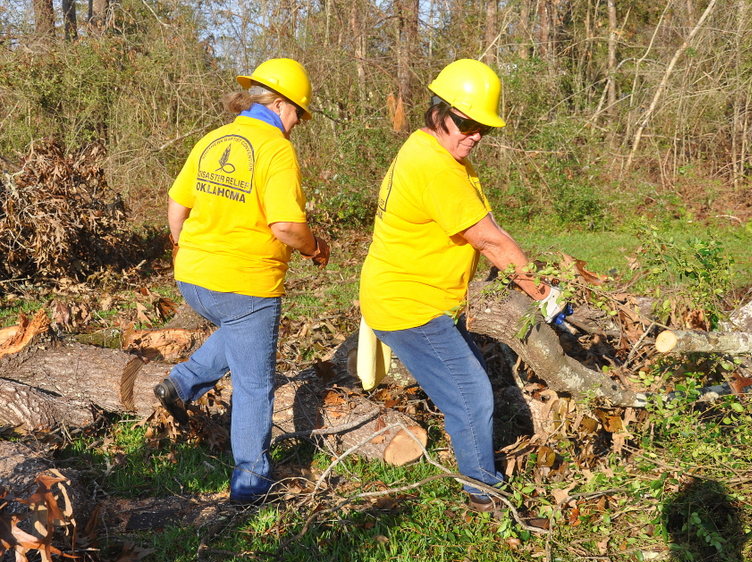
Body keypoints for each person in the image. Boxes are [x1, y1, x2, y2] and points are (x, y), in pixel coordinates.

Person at [358, 59, 566, 512]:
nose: (473, 134)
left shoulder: (428, 149)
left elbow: (482, 223)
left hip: (416, 295)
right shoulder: (435, 168)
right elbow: (491, 240)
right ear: (439, 111)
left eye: (482, 129)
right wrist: (545, 295)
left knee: (471, 378)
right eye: (466, 123)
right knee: (470, 394)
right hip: (408, 304)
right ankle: (483, 492)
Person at [154, 58, 330, 505]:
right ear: (281, 103)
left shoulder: (215, 139)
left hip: (193, 278)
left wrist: (184, 249)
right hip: (246, 284)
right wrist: (314, 248)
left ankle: (182, 382)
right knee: (255, 383)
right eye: (297, 114)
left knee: (236, 329)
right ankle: (250, 482)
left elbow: (177, 205)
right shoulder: (275, 148)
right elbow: (287, 227)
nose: (295, 125)